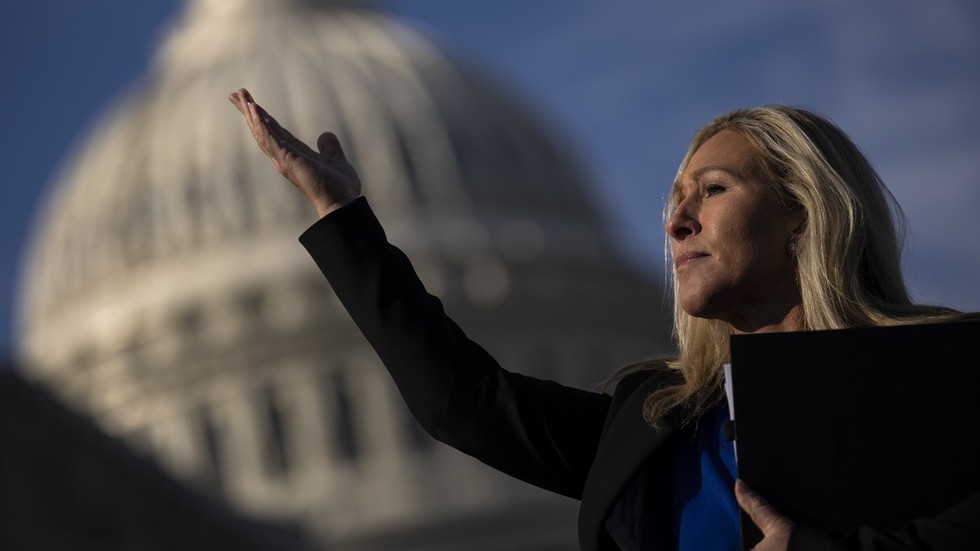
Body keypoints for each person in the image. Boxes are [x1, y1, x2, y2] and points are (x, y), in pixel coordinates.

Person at [228, 88, 980, 550]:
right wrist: (340, 214)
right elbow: (462, 402)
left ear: (802, 215)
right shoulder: (657, 429)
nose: (676, 220)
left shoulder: (944, 374)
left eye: (713, 190)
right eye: (673, 200)